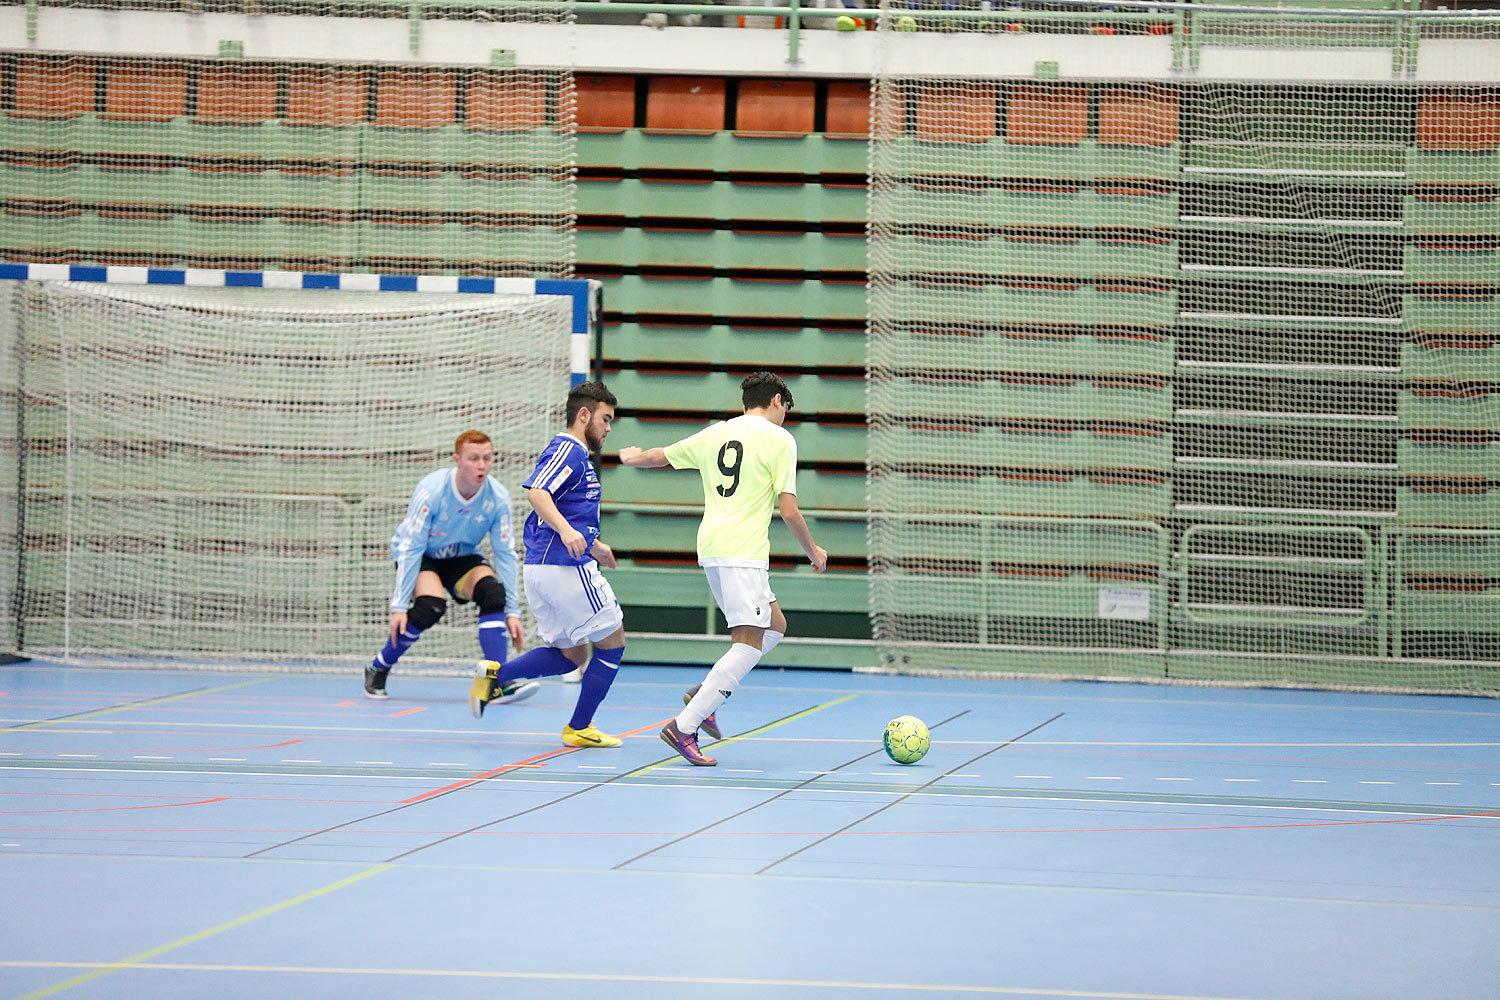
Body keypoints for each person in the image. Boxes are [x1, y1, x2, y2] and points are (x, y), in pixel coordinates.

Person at [619, 371, 827, 766]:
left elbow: (659, 456)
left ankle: (707, 693)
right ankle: (683, 726)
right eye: (787, 408)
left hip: (714, 547)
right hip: (742, 552)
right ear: (778, 402)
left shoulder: (717, 432)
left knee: (775, 625)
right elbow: (788, 509)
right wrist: (813, 551)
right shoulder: (781, 439)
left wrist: (630, 457)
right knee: (747, 645)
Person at [468, 381, 628, 749]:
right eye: (605, 419)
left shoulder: (577, 457)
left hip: (545, 569)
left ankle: (497, 676)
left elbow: (565, 506)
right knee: (613, 642)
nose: (608, 428)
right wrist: (570, 532)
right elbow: (538, 492)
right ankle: (580, 726)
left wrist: (596, 544)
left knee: (572, 655)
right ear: (583, 415)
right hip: (564, 568)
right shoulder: (568, 449)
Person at [366, 430, 531, 703]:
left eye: (487, 458)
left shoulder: (498, 498)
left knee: (493, 594)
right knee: (430, 606)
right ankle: (379, 666)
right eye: (473, 458)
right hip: (423, 556)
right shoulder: (431, 491)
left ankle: (497, 680)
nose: (481, 465)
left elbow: (504, 554)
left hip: (462, 557)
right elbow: (412, 547)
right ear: (457, 459)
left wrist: (512, 611)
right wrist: (399, 605)